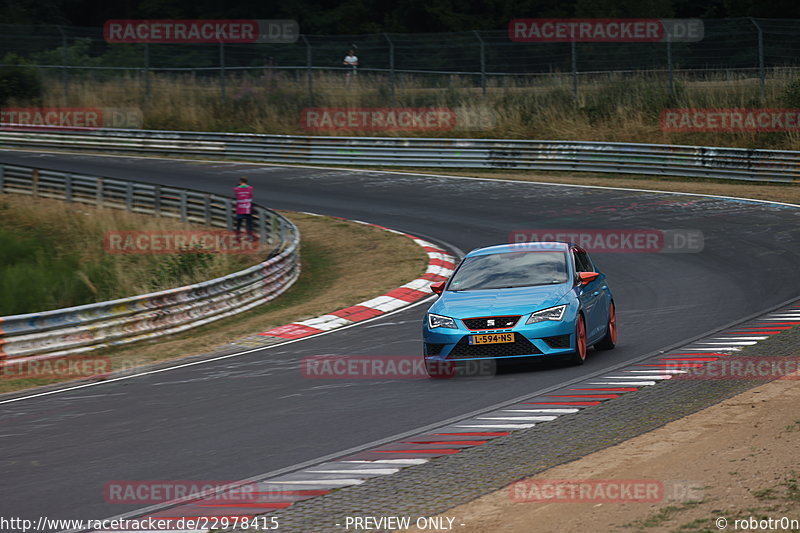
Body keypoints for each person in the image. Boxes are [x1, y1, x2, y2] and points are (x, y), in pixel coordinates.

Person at [234, 177, 255, 242]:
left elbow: (236, 195)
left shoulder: (236, 188)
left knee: (238, 224)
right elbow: (251, 196)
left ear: (240, 182)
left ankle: (237, 237)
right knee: (249, 224)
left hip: (240, 208)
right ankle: (250, 237)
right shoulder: (250, 188)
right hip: (248, 208)